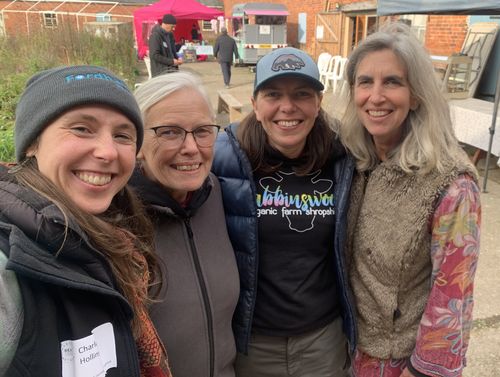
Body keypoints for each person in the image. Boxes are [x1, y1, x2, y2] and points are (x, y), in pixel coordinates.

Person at [0, 65, 172, 377]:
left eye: (122, 135)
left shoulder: (116, 239)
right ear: (31, 143)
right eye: (82, 129)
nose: (107, 151)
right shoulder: (8, 263)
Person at [340, 23, 481, 377]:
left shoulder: (451, 184)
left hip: (399, 365)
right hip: (344, 352)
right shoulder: (353, 162)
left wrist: (422, 372)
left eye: (392, 82)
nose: (375, 96)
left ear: (416, 94)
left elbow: (453, 295)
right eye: (365, 82)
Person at [212, 47, 356, 377]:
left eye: (301, 94)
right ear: (255, 106)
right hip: (253, 344)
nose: (287, 107)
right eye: (273, 94)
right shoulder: (224, 159)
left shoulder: (344, 158)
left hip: (323, 341)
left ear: (318, 104)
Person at [132, 71, 239, 377]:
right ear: (137, 141)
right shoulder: (114, 218)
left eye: (203, 131)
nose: (191, 147)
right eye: (169, 132)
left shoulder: (217, 194)